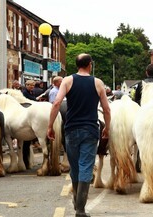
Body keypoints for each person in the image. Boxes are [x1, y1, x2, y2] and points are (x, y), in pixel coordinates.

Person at [47, 53, 110, 217]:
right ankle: (80, 209)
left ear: (77, 65)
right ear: (90, 64)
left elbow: (56, 103)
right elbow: (107, 108)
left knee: (74, 167)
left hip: (71, 130)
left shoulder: (67, 80)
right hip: (90, 130)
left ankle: (77, 200)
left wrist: (50, 126)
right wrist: (107, 127)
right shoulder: (98, 83)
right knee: (86, 167)